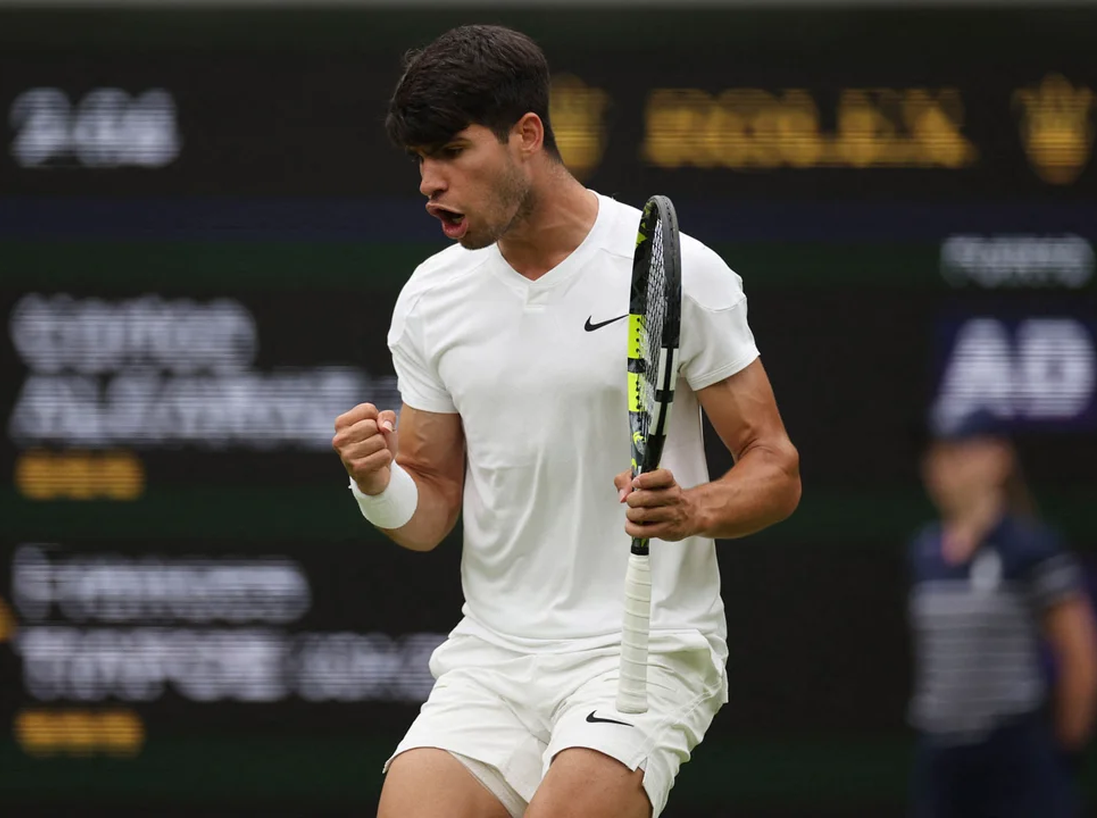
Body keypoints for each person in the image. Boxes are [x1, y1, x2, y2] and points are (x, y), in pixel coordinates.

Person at [331, 24, 800, 818]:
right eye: (419, 161)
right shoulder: (429, 299)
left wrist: (694, 510)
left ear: (526, 136)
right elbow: (430, 506)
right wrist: (376, 482)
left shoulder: (679, 272)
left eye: (451, 152)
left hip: (642, 648)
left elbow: (773, 464)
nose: (430, 183)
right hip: (494, 658)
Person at [907, 409, 1097, 818]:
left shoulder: (1033, 549)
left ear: (998, 459)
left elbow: (1084, 660)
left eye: (959, 453)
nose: (943, 467)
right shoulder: (923, 552)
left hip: (1014, 757)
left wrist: (1062, 755)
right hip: (941, 759)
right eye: (937, 454)